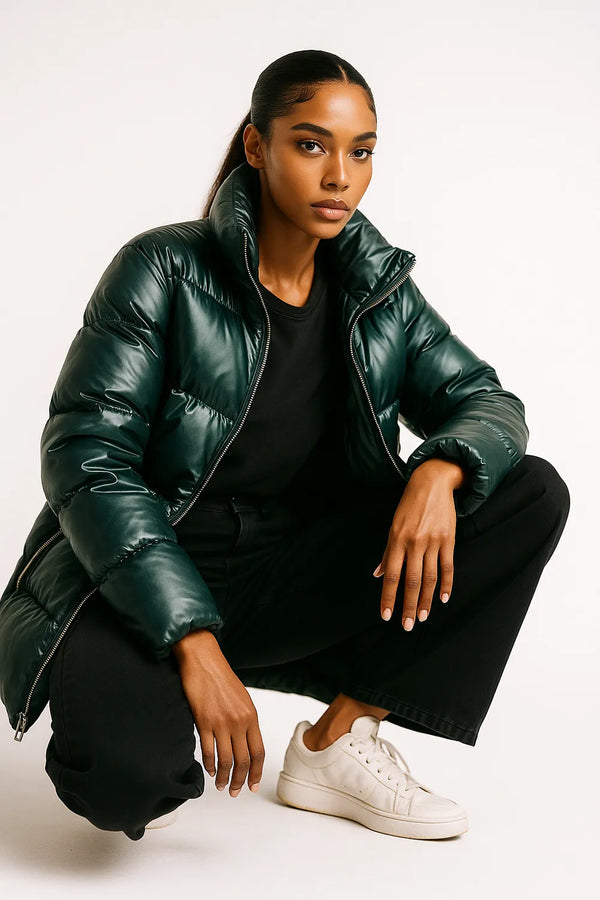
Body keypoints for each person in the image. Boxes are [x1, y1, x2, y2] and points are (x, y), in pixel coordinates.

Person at [0, 49, 570, 844]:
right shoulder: (163, 268)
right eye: (311, 145)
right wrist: (193, 643)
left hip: (284, 571)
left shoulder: (375, 291)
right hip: (135, 576)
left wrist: (441, 469)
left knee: (525, 491)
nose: (340, 176)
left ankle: (338, 740)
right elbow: (85, 459)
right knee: (125, 785)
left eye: (361, 151)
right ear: (257, 146)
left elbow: (487, 401)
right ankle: (163, 681)